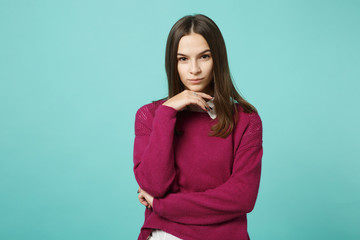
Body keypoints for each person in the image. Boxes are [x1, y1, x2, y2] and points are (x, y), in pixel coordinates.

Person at [133, 14, 263, 240]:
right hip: (166, 235)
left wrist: (162, 205)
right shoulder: (151, 115)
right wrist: (167, 112)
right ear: (172, 63)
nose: (194, 69)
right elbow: (154, 185)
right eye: (183, 59)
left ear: (218, 59)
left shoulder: (245, 120)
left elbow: (242, 197)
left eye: (204, 57)